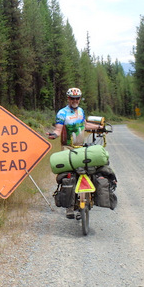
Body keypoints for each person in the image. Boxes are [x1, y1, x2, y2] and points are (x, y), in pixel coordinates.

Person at [47, 87, 86, 218]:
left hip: (81, 146)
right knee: (69, 176)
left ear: (79, 99)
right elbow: (58, 129)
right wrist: (54, 134)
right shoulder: (62, 113)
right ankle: (69, 206)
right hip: (68, 147)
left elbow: (85, 125)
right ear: (68, 99)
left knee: (84, 172)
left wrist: (100, 127)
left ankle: (83, 201)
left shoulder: (81, 111)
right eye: (72, 98)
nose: (75, 100)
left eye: (77, 98)